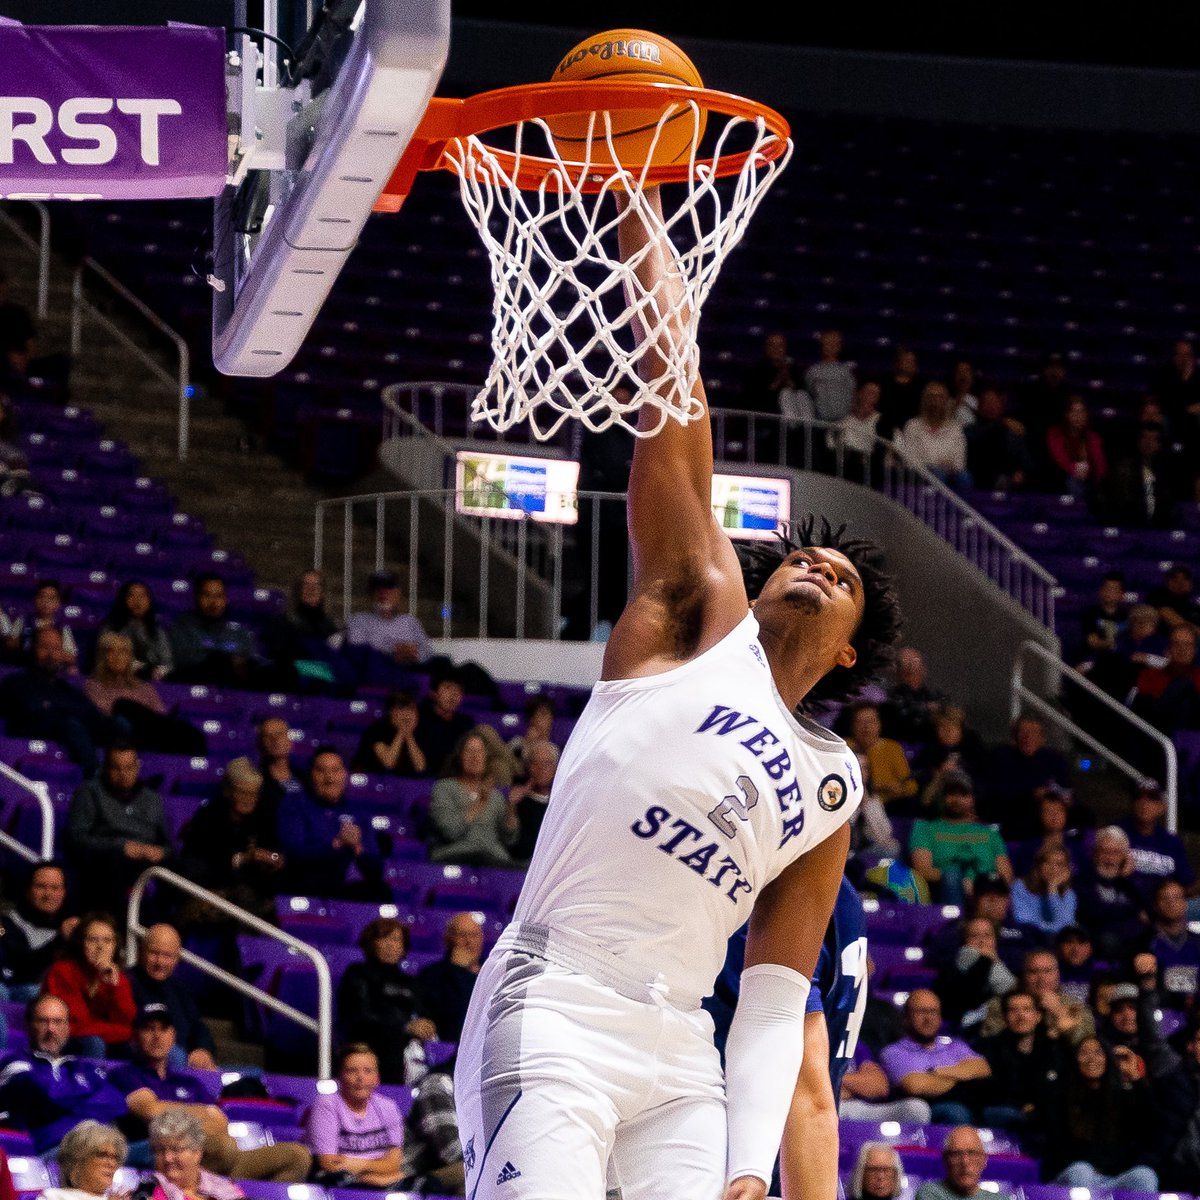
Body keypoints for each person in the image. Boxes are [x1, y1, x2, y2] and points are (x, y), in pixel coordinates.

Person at [452, 187, 900, 1200]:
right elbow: (675, 387)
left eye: (845, 578)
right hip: (555, 996)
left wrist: (751, 1167)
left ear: (847, 655)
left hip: (683, 1049)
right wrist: (636, 205)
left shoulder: (831, 786)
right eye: (806, 555)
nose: (820, 562)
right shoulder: (700, 615)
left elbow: (779, 1002)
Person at [110, 1004, 311, 1180]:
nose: (157, 1036)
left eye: (163, 1029)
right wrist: (201, 1113)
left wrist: (182, 1114)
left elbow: (219, 1122)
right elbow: (150, 1111)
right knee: (224, 1147)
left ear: (173, 1037)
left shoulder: (189, 1082)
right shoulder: (126, 1074)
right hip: (162, 1157)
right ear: (134, 1038)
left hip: (210, 1159)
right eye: (148, 1029)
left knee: (297, 1156)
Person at [0, 994, 129, 1154]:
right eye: (43, 1021)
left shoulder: (84, 1067)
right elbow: (45, 1097)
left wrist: (65, 1106)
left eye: (58, 1022)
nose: (51, 1029)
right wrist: (86, 1097)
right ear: (28, 1025)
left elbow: (116, 1104)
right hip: (50, 1150)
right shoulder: (15, 1063)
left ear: (67, 1028)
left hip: (95, 1147)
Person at [0, 626, 125, 777]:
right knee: (69, 723)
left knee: (119, 724)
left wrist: (55, 707)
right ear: (33, 649)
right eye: (45, 647)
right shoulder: (16, 682)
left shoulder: (67, 689)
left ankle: (130, 774)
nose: (51, 654)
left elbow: (93, 715)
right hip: (30, 735)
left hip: (70, 729)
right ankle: (97, 777)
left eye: (56, 648)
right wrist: (61, 711)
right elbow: (32, 710)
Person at [1043, 1036, 1160, 1192]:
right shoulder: (1061, 1096)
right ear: (1075, 1060)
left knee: (1145, 1176)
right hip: (1073, 1176)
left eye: (1099, 1053)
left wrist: (1135, 1079)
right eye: (1084, 1053)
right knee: (1081, 1171)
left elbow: (1151, 1125)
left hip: (1113, 1179)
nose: (1091, 1058)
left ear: (1109, 1059)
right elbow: (1058, 1148)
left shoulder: (1123, 1097)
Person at [66, 743, 172, 914]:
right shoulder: (89, 792)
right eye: (116, 768)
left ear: (137, 767)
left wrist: (162, 852)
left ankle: (167, 930)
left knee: (181, 867)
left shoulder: (153, 798)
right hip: (106, 860)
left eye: (129, 767)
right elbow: (77, 839)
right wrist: (121, 846)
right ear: (105, 768)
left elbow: (169, 845)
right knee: (114, 865)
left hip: (147, 861)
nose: (123, 774)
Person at [336, 917, 437, 1085]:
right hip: (374, 1044)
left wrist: (427, 1024)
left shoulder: (412, 982)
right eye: (385, 938)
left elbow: (423, 1012)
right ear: (372, 942)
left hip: (408, 1048)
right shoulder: (357, 974)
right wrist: (405, 1028)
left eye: (396, 939)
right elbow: (360, 1018)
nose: (391, 944)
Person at [178, 757, 285, 915]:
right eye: (243, 793)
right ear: (228, 791)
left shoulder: (262, 816)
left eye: (253, 794)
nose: (249, 800)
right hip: (210, 889)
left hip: (252, 891)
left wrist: (272, 860)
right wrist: (245, 858)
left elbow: (272, 848)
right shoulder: (209, 816)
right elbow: (203, 862)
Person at [276, 747, 381, 900]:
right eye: (321, 771)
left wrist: (358, 848)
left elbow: (377, 867)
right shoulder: (294, 804)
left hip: (343, 885)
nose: (330, 778)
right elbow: (293, 853)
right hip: (306, 882)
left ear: (345, 774)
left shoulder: (357, 811)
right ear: (311, 775)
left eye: (336, 770)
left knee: (379, 890)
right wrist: (336, 844)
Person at [83, 631, 205, 756]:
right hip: (126, 736)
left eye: (123, 652)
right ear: (102, 656)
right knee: (123, 706)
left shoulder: (144, 687)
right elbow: (106, 716)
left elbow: (160, 718)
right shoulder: (93, 686)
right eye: (111, 651)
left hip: (153, 734)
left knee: (191, 734)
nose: (118, 656)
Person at [879, 991, 991, 1126]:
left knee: (1007, 1114)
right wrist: (962, 1079)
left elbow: (983, 1068)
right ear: (906, 1018)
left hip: (969, 1104)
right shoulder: (893, 1052)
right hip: (928, 1109)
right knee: (957, 1113)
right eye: (921, 1011)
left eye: (933, 1012)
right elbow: (915, 1086)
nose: (928, 1018)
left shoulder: (955, 1045)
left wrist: (935, 1072)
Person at [305, 1043, 406, 1190]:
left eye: (368, 1071)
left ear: (377, 1078)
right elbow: (329, 1164)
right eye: (352, 1071)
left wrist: (357, 1165)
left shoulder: (388, 1107)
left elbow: (393, 1165)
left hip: (378, 1182)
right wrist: (375, 1175)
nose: (360, 1077)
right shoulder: (326, 1104)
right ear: (340, 1077)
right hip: (338, 1185)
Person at [908, 770, 1013, 904]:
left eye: (963, 794)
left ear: (972, 799)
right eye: (951, 794)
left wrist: (978, 885)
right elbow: (923, 870)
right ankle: (957, 923)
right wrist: (960, 881)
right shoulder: (924, 828)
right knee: (952, 877)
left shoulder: (990, 833)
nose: (956, 800)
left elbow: (1005, 873)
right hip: (944, 890)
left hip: (986, 892)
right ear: (942, 797)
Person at [977, 989, 1064, 1146]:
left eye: (1026, 1009)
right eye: (1013, 1010)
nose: (1020, 1016)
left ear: (1038, 1016)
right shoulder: (989, 1048)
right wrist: (1024, 1106)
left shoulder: (1052, 1048)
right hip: (1003, 1111)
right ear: (1005, 1017)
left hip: (1039, 1113)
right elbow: (989, 1092)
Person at [44, 912, 136, 1057]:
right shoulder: (62, 972)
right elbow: (74, 1025)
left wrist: (115, 987)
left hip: (103, 1039)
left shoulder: (118, 979)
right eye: (93, 940)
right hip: (62, 1039)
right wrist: (120, 1032)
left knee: (137, 1047)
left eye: (107, 941)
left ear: (115, 946)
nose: (100, 947)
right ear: (81, 943)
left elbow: (130, 1022)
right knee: (94, 1042)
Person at [128, 925, 218, 1071]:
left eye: (167, 956)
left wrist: (202, 1049)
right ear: (141, 951)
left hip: (181, 1065)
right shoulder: (125, 982)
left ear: (177, 958)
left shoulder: (180, 989)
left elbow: (198, 1027)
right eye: (153, 953)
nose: (160, 962)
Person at [427, 731, 518, 867]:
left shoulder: (496, 796)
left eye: (479, 752)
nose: (475, 757)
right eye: (469, 751)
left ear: (485, 758)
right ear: (460, 757)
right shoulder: (443, 789)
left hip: (493, 858)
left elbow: (509, 840)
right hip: (457, 855)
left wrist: (511, 808)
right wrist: (479, 804)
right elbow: (451, 832)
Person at [978, 948, 1095, 1045]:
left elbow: (1087, 1046)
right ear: (1024, 975)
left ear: (1057, 974)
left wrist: (1059, 1011)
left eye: (1047, 971)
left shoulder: (1073, 1006)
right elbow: (992, 1042)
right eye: (1033, 972)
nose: (1041, 979)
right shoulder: (1002, 1004)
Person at [168, 573, 265, 688]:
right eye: (207, 595)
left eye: (219, 596)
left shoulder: (240, 633)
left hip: (234, 693)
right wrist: (225, 661)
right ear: (197, 597)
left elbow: (251, 666)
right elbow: (185, 662)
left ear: (225, 599)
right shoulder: (181, 627)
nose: (214, 602)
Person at [3, 861, 77, 1000]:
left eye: (55, 888)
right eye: (41, 886)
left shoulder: (74, 925)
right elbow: (20, 970)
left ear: (64, 893)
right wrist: (59, 940)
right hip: (22, 992)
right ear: (27, 890)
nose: (48, 894)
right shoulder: (5, 924)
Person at [1073, 826, 1148, 959]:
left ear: (1125, 857)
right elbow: (1093, 912)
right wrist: (1131, 911)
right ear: (1095, 854)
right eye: (1104, 852)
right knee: (1109, 941)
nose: (1109, 859)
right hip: (1100, 938)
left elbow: (1147, 911)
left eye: (1115, 853)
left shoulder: (1130, 883)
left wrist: (1127, 879)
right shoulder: (1083, 880)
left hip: (1131, 938)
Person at [1119, 781, 1199, 907]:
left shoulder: (1171, 841)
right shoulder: (1117, 834)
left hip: (1162, 905)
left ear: (1162, 807)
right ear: (1131, 803)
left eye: (1152, 798)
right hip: (1125, 903)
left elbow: (1187, 884)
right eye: (1138, 797)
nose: (1143, 803)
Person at [932, 916, 1016, 1033]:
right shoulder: (951, 969)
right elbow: (968, 998)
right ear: (964, 941)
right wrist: (984, 961)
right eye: (974, 936)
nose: (982, 941)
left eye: (987, 936)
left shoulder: (1005, 967)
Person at [148, 1111, 246, 1200]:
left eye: (176, 1150)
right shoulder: (149, 1192)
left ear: (197, 1152)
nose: (167, 1158)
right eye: (160, 1150)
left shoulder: (225, 1189)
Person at [418, 912, 483, 1045]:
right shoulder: (432, 975)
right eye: (462, 935)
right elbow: (452, 1016)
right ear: (448, 939)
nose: (469, 942)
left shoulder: (492, 973)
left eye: (474, 935)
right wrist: (459, 971)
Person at [346, 569, 432, 667]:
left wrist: (413, 654)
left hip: (413, 666)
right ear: (370, 594)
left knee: (442, 663)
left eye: (389, 588)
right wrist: (393, 651)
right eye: (377, 588)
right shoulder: (358, 620)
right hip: (381, 668)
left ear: (398, 594)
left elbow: (427, 650)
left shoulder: (410, 621)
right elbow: (357, 649)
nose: (383, 592)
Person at [895, 381, 972, 489]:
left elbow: (959, 459)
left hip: (950, 471)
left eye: (940, 397)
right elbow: (910, 459)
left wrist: (950, 467)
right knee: (938, 474)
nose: (935, 401)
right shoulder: (913, 425)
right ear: (924, 401)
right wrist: (935, 466)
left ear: (946, 401)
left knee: (964, 477)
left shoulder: (955, 428)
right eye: (931, 397)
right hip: (921, 472)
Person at [1131, 624, 1200, 733]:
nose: (1182, 649)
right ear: (1168, 649)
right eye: (1176, 644)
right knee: (1183, 684)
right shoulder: (1150, 675)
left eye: (1187, 645)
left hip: (1192, 732)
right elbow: (1145, 708)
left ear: (1195, 650)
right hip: (1156, 729)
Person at [100, 581, 174, 680]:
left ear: (149, 601)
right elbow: (104, 657)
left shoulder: (157, 629)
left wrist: (160, 671)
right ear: (123, 600)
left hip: (153, 679)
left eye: (142, 596)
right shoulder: (111, 626)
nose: (137, 601)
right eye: (131, 596)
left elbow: (167, 661)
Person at [1145, 879, 1200, 1008]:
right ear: (1155, 905)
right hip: (1161, 1010)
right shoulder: (1145, 942)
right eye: (1165, 899)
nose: (1171, 904)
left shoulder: (1197, 942)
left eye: (1176, 898)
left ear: (1185, 903)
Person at [42, 1120, 128, 1200]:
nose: (111, 1163)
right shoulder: (53, 1196)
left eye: (115, 1158)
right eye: (102, 1155)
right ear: (77, 1160)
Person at [965, 386, 1030, 491]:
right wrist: (1002, 423)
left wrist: (1021, 471)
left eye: (994, 402)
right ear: (979, 407)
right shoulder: (970, 430)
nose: (991, 406)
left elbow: (1025, 458)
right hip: (981, 476)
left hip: (1009, 477)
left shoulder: (1012, 429)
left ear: (1001, 406)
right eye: (987, 402)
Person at [915, 1126, 1006, 1200]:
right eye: (956, 1154)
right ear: (945, 1159)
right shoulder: (930, 1193)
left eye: (972, 1153)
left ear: (984, 1159)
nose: (965, 1161)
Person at [351, 690, 427, 776]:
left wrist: (409, 736)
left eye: (411, 709)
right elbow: (388, 764)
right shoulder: (376, 731)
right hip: (377, 780)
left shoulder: (422, 732)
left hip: (410, 785)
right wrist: (401, 732)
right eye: (401, 709)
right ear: (390, 711)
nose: (406, 714)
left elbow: (420, 767)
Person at [506, 739, 558, 863]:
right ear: (527, 766)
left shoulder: (561, 803)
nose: (541, 768)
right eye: (535, 763)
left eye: (547, 763)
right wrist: (511, 806)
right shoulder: (517, 800)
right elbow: (516, 845)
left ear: (556, 768)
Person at [6, 580, 79, 669]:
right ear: (35, 599)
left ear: (58, 603)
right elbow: (11, 643)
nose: (45, 602)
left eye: (51, 598)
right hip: (24, 666)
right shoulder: (23, 620)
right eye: (42, 596)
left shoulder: (63, 627)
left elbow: (71, 656)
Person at [1045, 396, 1107, 499]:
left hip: (1088, 480)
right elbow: (1060, 459)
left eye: (1081, 412)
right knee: (1072, 482)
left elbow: (1100, 466)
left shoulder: (1093, 437)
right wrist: (1074, 469)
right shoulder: (1054, 434)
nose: (1078, 416)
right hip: (1062, 478)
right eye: (1074, 412)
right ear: (1067, 415)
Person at [414, 672, 476, 777]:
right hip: (438, 770)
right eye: (448, 688)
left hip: (463, 768)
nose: (454, 694)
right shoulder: (420, 718)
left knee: (498, 765)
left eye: (459, 690)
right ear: (433, 693)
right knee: (484, 731)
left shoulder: (465, 721)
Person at [1009, 844, 1078, 935]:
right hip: (1028, 938)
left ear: (1066, 870)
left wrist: (1052, 891)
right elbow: (1024, 922)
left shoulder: (1069, 894)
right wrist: (1054, 927)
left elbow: (1066, 927)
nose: (1053, 868)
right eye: (1048, 862)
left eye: (1059, 864)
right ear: (1039, 866)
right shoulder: (1020, 886)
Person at [883, 646, 944, 742]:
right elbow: (900, 715)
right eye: (908, 666)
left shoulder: (934, 695)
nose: (912, 670)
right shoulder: (891, 697)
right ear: (899, 671)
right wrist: (927, 708)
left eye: (916, 665)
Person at [803, 329, 856, 423]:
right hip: (819, 422)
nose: (829, 347)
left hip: (842, 423)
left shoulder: (846, 372)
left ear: (839, 346)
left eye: (833, 344)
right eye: (827, 343)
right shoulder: (812, 371)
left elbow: (852, 397)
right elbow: (809, 395)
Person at [506, 696, 557, 778]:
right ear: (532, 719)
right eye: (542, 714)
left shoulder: (553, 749)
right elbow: (509, 766)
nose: (548, 718)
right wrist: (526, 745)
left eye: (548, 715)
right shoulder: (517, 742)